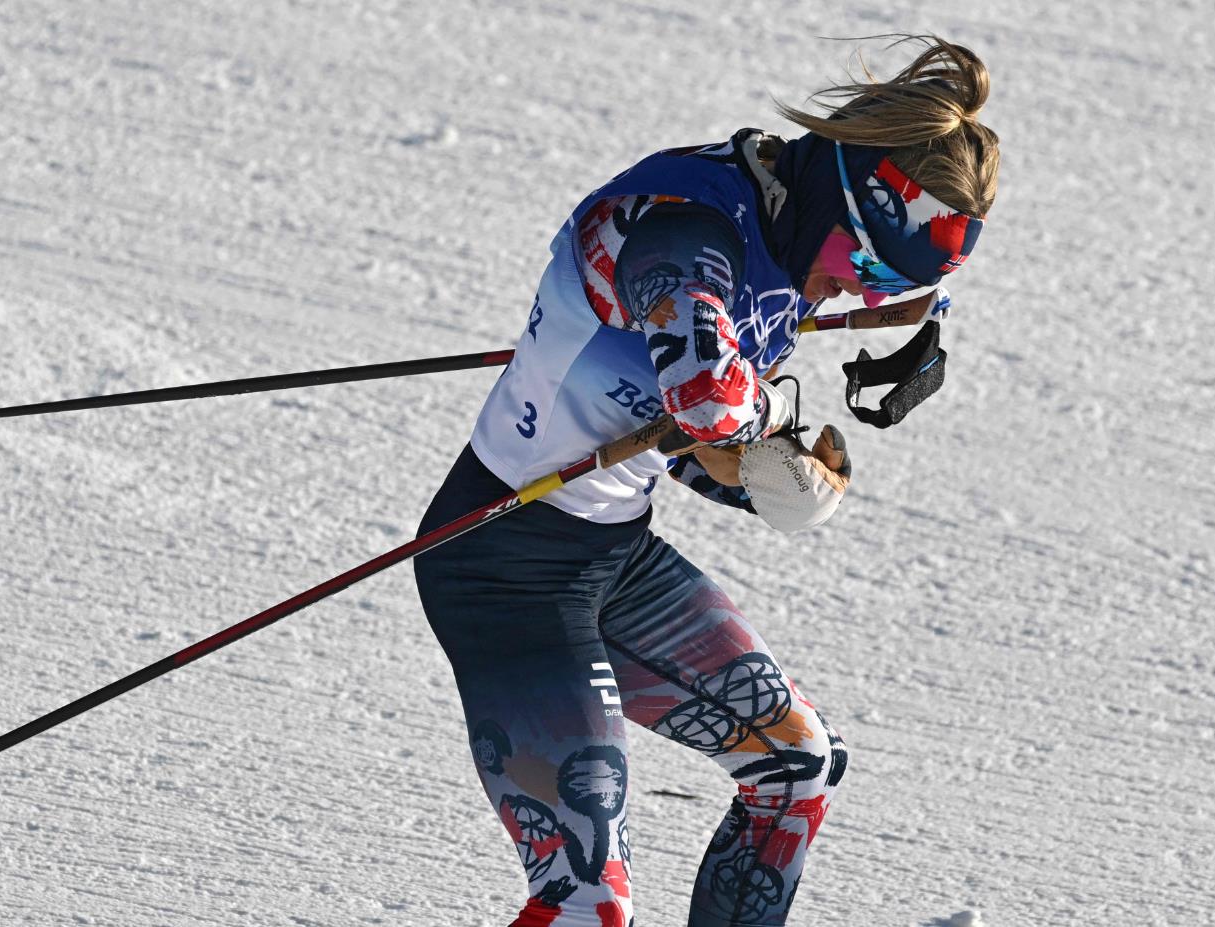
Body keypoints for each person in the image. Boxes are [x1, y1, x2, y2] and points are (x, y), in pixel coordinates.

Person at [413, 35, 999, 927]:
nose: (851, 292)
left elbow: (682, 441)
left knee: (795, 767)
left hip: (609, 559)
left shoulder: (792, 229)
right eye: (868, 266)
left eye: (888, 288)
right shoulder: (688, 230)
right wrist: (765, 436)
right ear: (844, 193)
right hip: (500, 568)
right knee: (584, 901)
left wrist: (773, 481)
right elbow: (706, 398)